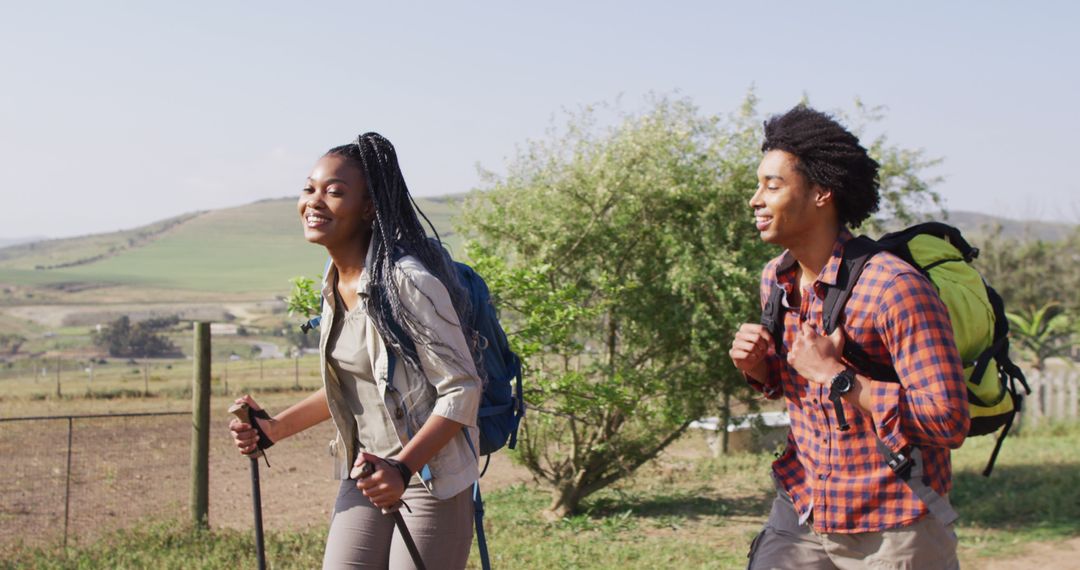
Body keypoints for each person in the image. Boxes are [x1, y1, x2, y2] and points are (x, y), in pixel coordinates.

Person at [729, 106, 969, 569]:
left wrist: (840, 378)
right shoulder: (775, 279)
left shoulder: (894, 289)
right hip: (804, 505)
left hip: (893, 523)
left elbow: (948, 420)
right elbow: (799, 385)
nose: (755, 199)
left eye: (772, 185)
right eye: (758, 184)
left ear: (821, 193)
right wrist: (758, 367)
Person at [229, 132, 482, 569]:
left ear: (368, 208)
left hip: (430, 477)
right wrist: (274, 428)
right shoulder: (332, 282)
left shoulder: (408, 282)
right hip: (365, 473)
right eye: (310, 188)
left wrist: (402, 469)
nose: (315, 201)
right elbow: (351, 385)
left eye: (335, 192)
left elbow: (462, 388)